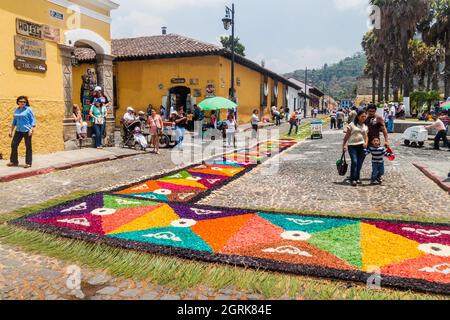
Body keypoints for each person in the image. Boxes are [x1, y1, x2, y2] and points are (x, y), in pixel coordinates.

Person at [8, 96, 36, 168]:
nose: (22, 103)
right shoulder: (16, 110)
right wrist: (11, 130)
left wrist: (31, 129)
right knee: (14, 145)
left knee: (28, 146)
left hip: (27, 130)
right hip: (18, 131)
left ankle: (28, 163)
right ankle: (14, 161)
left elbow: (33, 120)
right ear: (18, 102)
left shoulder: (28, 109)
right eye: (21, 101)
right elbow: (14, 121)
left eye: (24, 102)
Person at [343, 110, 369, 187]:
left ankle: (357, 178)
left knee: (359, 163)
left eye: (365, 116)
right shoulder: (351, 125)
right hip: (352, 146)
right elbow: (347, 136)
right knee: (354, 162)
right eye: (362, 116)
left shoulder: (365, 126)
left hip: (362, 146)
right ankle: (352, 179)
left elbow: (366, 136)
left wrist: (366, 143)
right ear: (358, 117)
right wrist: (344, 145)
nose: (364, 118)